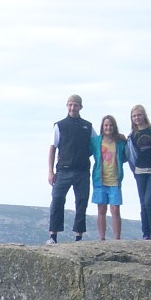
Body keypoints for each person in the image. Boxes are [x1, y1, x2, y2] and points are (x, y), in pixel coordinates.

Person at [46, 95, 94, 244]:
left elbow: (96, 145)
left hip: (82, 171)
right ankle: (53, 236)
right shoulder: (59, 125)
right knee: (57, 200)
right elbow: (52, 148)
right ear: (67, 106)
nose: (73, 108)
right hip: (63, 171)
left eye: (76, 105)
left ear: (81, 107)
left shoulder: (88, 126)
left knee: (81, 202)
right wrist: (50, 171)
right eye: (70, 105)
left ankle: (78, 237)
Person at [127, 105, 151, 239]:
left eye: (139, 115)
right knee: (143, 202)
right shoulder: (132, 135)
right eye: (134, 116)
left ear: (144, 115)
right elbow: (130, 154)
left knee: (149, 201)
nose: (136, 118)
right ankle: (145, 233)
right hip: (140, 171)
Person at [91, 115, 128, 240]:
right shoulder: (96, 141)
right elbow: (85, 151)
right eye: (106, 125)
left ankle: (117, 238)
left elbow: (126, 156)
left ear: (114, 127)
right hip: (99, 179)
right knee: (101, 209)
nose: (108, 127)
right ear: (102, 127)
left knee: (115, 209)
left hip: (115, 180)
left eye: (111, 125)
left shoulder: (120, 142)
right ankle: (102, 238)